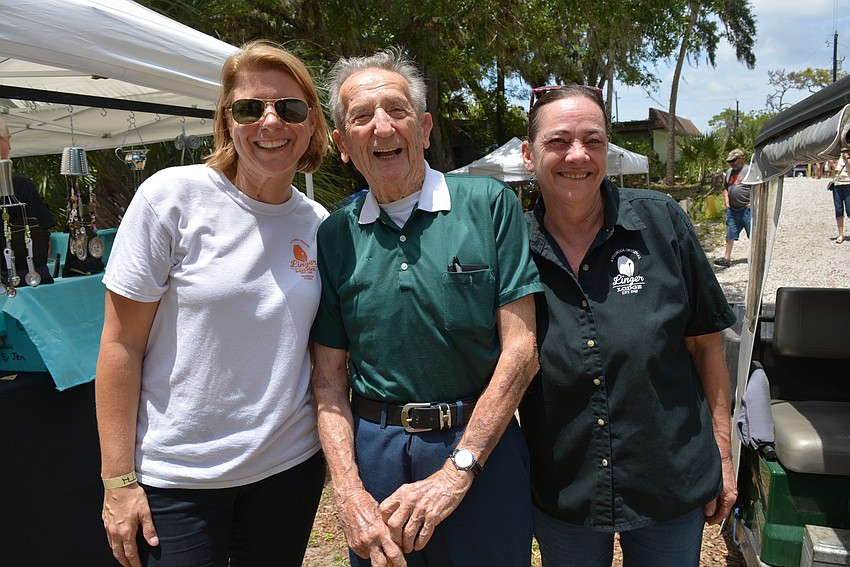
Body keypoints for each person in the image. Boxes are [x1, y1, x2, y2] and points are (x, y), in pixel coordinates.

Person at [95, 40, 329, 567]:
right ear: (227, 121)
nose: (270, 122)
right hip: (179, 477)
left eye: (289, 108)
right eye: (250, 108)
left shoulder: (318, 225)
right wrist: (118, 480)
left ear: (311, 123)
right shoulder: (171, 198)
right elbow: (119, 346)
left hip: (288, 469)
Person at [310, 48, 542, 567]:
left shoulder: (489, 205)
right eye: (362, 117)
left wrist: (460, 468)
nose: (382, 126)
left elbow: (522, 350)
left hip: (481, 446)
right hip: (377, 459)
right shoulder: (334, 236)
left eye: (397, 110)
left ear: (425, 127)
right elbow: (327, 379)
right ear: (343, 145)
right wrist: (347, 490)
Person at [519, 85, 738, 567]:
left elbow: (706, 347)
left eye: (593, 141)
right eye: (559, 141)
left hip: (669, 480)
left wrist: (723, 453)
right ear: (528, 154)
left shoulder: (663, 224)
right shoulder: (510, 249)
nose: (578, 155)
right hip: (565, 489)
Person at [0, 115, 57, 284]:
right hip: (22, 279)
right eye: (8, 139)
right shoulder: (21, 185)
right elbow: (43, 242)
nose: (9, 146)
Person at [714, 148, 751, 267]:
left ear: (741, 158)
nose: (732, 163)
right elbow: (726, 187)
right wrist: (726, 202)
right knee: (730, 233)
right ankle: (727, 258)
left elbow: (758, 188)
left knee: (753, 234)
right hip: (732, 209)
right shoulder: (729, 172)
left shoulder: (749, 170)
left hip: (747, 209)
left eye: (734, 160)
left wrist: (753, 203)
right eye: (730, 161)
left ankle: (756, 257)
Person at [829, 147, 850, 243]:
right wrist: (832, 165)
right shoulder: (835, 156)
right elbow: (834, 173)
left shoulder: (847, 155)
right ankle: (841, 234)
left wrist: (847, 158)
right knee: (838, 209)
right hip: (837, 184)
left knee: (849, 209)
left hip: (848, 184)